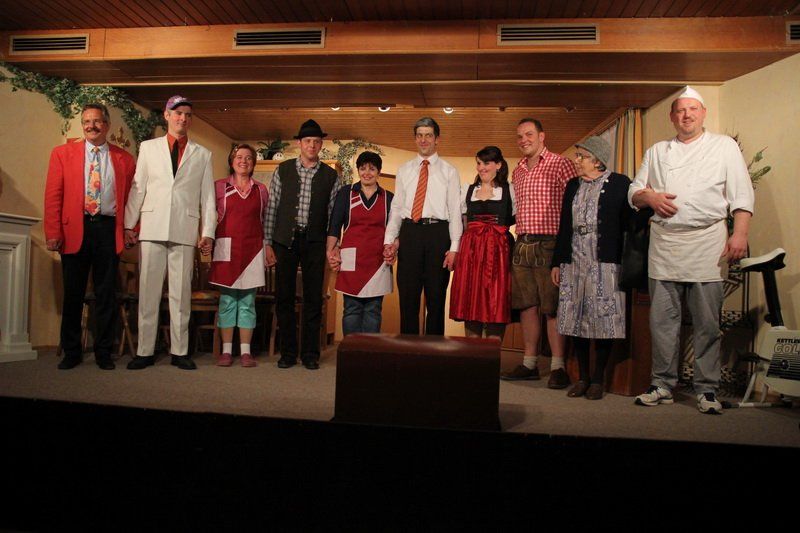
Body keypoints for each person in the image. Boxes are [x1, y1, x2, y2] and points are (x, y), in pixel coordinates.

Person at [630, 86, 754, 414]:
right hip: (665, 244)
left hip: (707, 243)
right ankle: (662, 384)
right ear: (672, 117)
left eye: (693, 109)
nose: (686, 115)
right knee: (662, 322)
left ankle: (707, 389)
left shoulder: (723, 146)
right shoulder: (657, 151)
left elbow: (742, 194)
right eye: (681, 111)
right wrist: (649, 197)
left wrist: (739, 234)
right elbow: (634, 191)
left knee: (707, 323)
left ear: (703, 114)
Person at [124, 95, 216, 371]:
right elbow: (138, 188)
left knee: (181, 294)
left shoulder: (203, 154)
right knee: (148, 293)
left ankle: (180, 351)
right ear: (166, 115)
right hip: (152, 226)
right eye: (178, 113)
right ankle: (144, 351)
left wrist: (207, 231)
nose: (183, 118)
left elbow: (208, 197)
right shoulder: (148, 148)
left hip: (184, 228)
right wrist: (129, 224)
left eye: (187, 115)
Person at [44, 103, 136, 370]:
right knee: (73, 293)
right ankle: (72, 352)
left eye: (96, 121)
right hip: (74, 229)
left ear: (106, 125)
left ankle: (103, 352)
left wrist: (132, 228)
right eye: (86, 121)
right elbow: (53, 194)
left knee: (106, 294)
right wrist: (53, 231)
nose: (91, 126)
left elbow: (132, 198)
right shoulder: (62, 154)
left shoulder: (124, 158)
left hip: (108, 229)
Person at [551, 136, 632, 400]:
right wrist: (558, 261)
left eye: (581, 156)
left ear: (597, 160)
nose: (576, 160)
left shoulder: (620, 183)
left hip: (604, 261)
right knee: (576, 318)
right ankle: (583, 377)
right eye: (577, 156)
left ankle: (598, 379)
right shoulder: (572, 185)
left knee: (603, 320)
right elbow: (565, 225)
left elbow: (630, 221)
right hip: (575, 260)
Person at [501, 118, 575, 389]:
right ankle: (529, 363)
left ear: (542, 136)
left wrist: (564, 252)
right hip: (523, 243)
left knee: (552, 306)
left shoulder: (560, 163)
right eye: (519, 136)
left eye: (529, 134)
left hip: (550, 243)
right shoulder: (518, 170)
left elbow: (572, 206)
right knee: (527, 306)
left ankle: (558, 366)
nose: (524, 140)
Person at [263, 119, 341, 370]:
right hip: (284, 240)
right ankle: (287, 353)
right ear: (299, 143)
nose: (312, 145)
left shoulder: (331, 175)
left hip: (315, 242)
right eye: (308, 141)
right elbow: (272, 208)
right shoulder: (283, 170)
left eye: (316, 141)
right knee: (284, 297)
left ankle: (310, 353)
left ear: (321, 145)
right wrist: (267, 243)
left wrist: (332, 246)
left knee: (313, 299)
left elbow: (333, 216)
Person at [383, 117, 462, 335]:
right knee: (408, 299)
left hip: (438, 234)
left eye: (428, 135)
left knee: (436, 300)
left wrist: (454, 248)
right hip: (410, 233)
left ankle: (433, 351)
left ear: (437, 139)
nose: (423, 140)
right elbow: (397, 208)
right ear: (415, 139)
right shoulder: (404, 170)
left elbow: (455, 211)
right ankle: (408, 350)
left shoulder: (449, 171)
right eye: (419, 135)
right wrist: (389, 240)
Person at [208, 144, 269, 367]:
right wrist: (206, 239)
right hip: (226, 249)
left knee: (247, 302)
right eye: (239, 157)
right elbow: (209, 217)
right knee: (227, 301)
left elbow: (265, 221)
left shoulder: (261, 190)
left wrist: (267, 247)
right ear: (231, 161)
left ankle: (245, 352)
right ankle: (226, 351)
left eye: (248, 157)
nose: (243, 161)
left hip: (252, 250)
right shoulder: (219, 187)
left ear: (253, 163)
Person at [449, 146, 515, 339]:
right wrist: (455, 249)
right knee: (471, 298)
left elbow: (519, 219)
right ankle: (473, 353)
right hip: (471, 252)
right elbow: (460, 224)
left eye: (486, 163)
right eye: (479, 163)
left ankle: (492, 353)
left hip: (498, 252)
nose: (481, 167)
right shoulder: (468, 190)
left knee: (496, 299)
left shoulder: (509, 190)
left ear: (498, 165)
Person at [327, 151, 394, 335]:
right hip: (351, 259)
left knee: (373, 310)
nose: (367, 173)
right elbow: (334, 226)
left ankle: (369, 351)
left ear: (379, 172)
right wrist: (331, 252)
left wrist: (393, 249)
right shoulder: (346, 193)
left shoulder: (389, 198)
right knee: (351, 309)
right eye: (363, 168)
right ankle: (351, 350)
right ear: (358, 170)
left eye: (372, 169)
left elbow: (395, 230)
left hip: (377, 261)